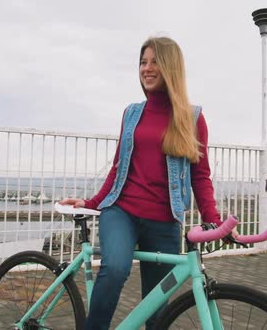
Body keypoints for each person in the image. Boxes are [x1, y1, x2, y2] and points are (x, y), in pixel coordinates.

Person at [59, 36, 238, 330]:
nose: (147, 68)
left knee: (156, 311)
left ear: (171, 67)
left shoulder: (192, 118)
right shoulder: (131, 113)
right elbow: (118, 168)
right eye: (143, 62)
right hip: (122, 212)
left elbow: (200, 174)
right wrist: (91, 203)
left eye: (155, 61)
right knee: (115, 269)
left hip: (165, 221)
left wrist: (213, 221)